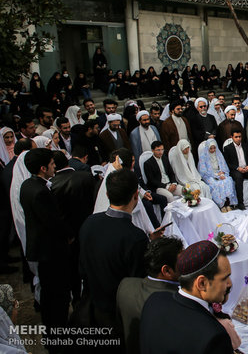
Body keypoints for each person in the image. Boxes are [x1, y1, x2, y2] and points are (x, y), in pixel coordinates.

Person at [80, 168, 154, 330]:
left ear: (107, 195)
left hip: (93, 304)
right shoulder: (135, 237)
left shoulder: (89, 223)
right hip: (119, 314)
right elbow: (138, 284)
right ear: (136, 196)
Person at [140, 240, 235, 354]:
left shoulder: (154, 300)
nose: (229, 283)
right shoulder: (214, 336)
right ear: (202, 283)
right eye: (225, 278)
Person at [21, 149, 71, 351]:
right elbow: (53, 223)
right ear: (43, 168)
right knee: (56, 298)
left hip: (41, 249)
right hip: (50, 252)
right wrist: (68, 234)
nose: (54, 167)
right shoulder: (41, 192)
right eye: (51, 164)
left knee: (50, 296)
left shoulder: (28, 185)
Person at [117, 236, 184, 354]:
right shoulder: (178, 302)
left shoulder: (125, 285)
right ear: (167, 271)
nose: (186, 265)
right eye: (182, 262)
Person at [50, 151, 95, 307]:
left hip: (70, 235)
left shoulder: (53, 184)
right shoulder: (86, 177)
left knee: (74, 267)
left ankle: (77, 298)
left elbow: (57, 215)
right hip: (89, 227)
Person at [223, 130, 248, 210]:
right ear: (232, 137)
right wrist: (237, 168)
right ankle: (240, 203)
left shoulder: (245, 146)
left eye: (239, 137)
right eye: (236, 137)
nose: (238, 139)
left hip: (246, 168)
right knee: (238, 177)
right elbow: (227, 163)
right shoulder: (228, 148)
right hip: (236, 170)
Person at [198, 139, 238, 210]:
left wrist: (222, 173)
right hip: (209, 176)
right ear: (207, 148)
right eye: (211, 148)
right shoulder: (203, 157)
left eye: (214, 148)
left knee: (228, 180)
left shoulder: (218, 154)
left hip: (219, 173)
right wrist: (216, 175)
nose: (213, 150)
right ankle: (221, 205)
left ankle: (228, 203)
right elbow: (203, 171)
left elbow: (224, 166)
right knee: (216, 184)